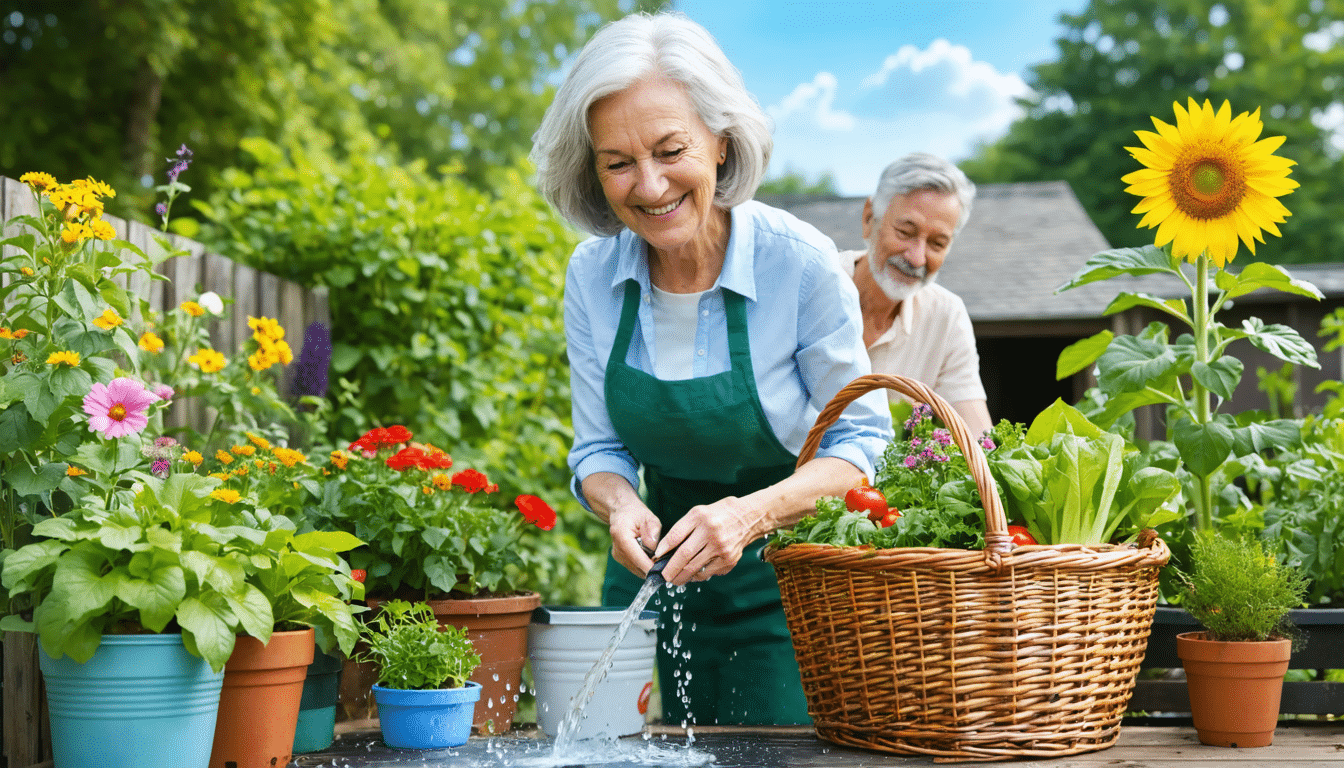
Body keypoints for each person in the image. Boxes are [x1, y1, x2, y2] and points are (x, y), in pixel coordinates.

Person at [530, 11, 891, 727]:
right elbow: (598, 449)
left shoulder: (801, 263)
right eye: (617, 162)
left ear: (721, 144)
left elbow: (862, 444)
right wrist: (620, 505)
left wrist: (751, 513)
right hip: (649, 571)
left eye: (671, 150)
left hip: (790, 578)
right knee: (612, 745)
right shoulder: (592, 276)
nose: (650, 185)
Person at [840, 153, 993, 436]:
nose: (917, 258)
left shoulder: (946, 315)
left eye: (937, 243)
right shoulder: (815, 285)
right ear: (868, 218)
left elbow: (978, 435)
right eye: (905, 232)